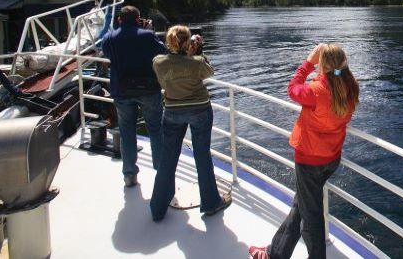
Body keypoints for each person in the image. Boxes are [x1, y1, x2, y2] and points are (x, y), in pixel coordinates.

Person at [249, 43, 360, 259]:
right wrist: (332, 65)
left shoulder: (316, 91)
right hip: (331, 159)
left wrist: (308, 63)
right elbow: (339, 75)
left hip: (310, 161)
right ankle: (276, 253)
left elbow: (292, 88)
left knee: (311, 219)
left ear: (323, 66)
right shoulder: (351, 86)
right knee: (301, 206)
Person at [150, 25, 231, 221]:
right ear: (188, 43)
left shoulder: (158, 62)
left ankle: (158, 207)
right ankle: (211, 203)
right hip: (199, 110)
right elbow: (209, 71)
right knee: (202, 155)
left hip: (172, 112)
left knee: (168, 158)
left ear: (169, 42)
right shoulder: (196, 62)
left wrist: (186, 53)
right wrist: (197, 52)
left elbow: (172, 66)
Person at [101, 5, 166, 188]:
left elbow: (106, 53)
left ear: (119, 20)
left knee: (127, 132)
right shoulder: (147, 36)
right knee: (155, 130)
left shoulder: (110, 38)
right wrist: (148, 31)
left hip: (122, 92)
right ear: (138, 19)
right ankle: (161, 173)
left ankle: (129, 175)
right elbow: (162, 52)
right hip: (148, 90)